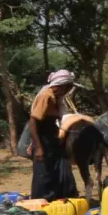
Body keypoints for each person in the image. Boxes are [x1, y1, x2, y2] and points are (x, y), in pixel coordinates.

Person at [28, 70, 78, 201]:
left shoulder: (56, 98)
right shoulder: (46, 96)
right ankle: (42, 205)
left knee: (61, 172)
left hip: (52, 140)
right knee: (44, 176)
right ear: (61, 85)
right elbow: (33, 121)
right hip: (44, 142)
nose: (67, 91)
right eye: (67, 87)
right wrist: (37, 147)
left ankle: (60, 201)